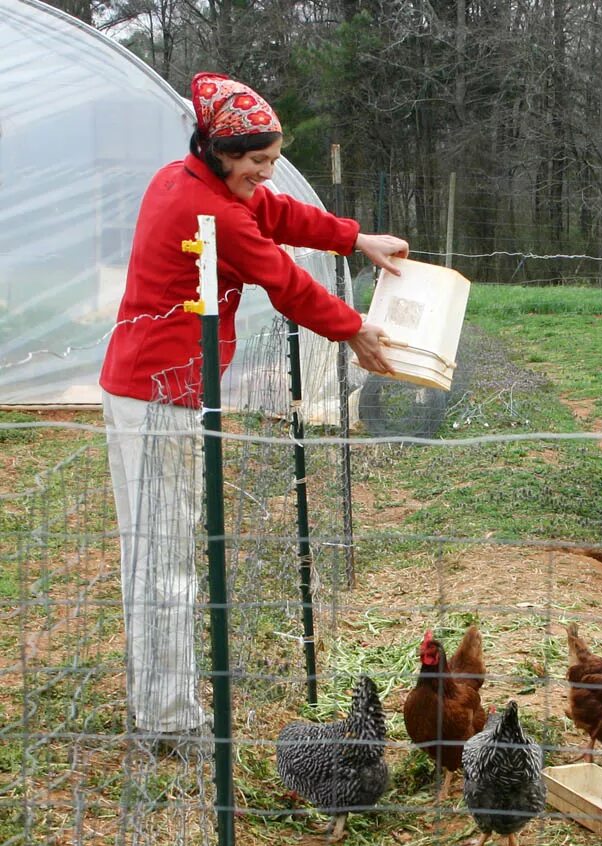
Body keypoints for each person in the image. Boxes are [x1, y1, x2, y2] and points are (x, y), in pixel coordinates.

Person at [99, 72, 409, 754]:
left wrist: (357, 239)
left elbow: (280, 216)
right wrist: (354, 327)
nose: (265, 176)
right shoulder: (209, 210)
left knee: (168, 546)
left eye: (271, 162)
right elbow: (283, 279)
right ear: (217, 149)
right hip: (157, 395)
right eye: (257, 163)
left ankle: (165, 700)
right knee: (164, 555)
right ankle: (167, 719)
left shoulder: (195, 183)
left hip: (164, 386)